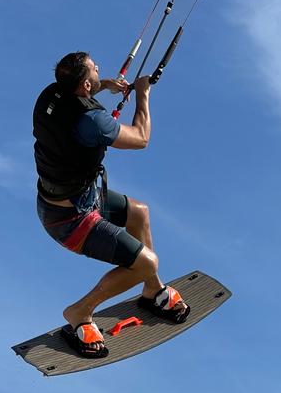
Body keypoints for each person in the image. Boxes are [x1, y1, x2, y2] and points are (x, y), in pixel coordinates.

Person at [33, 51, 189, 358]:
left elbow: (84, 93)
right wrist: (143, 94)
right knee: (147, 262)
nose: (98, 69)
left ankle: (152, 290)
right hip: (69, 220)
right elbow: (141, 138)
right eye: (95, 70)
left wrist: (107, 84)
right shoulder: (93, 121)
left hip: (72, 198)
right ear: (85, 86)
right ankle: (80, 311)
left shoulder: (50, 94)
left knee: (139, 214)